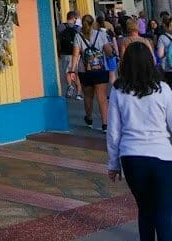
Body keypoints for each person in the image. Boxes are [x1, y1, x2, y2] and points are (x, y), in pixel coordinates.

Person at [107, 42, 172, 240]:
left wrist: (113, 164)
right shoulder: (163, 90)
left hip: (132, 157)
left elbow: (113, 132)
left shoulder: (118, 91)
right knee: (164, 211)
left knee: (145, 210)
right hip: (162, 157)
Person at [69, 14, 113, 131]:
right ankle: (105, 124)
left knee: (88, 96)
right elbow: (108, 51)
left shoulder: (78, 36)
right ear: (93, 23)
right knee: (102, 97)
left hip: (85, 71)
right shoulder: (102, 34)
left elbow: (75, 55)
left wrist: (72, 70)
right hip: (100, 70)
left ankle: (89, 118)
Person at [57, 12, 82, 99]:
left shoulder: (60, 27)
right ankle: (78, 93)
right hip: (76, 53)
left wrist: (58, 51)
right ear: (74, 18)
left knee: (67, 71)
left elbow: (58, 39)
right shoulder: (78, 28)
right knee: (76, 72)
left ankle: (69, 85)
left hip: (65, 53)